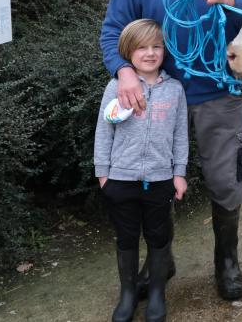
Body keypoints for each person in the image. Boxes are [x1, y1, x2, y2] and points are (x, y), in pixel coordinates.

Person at [99, 0, 242, 301]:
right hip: (155, 97)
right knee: (154, 181)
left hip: (218, 95)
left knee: (225, 181)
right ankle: (161, 259)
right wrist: (124, 72)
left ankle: (227, 261)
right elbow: (112, 31)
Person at [94, 19, 189, 322]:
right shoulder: (116, 87)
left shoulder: (174, 90)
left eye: (156, 46)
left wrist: (179, 172)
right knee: (126, 237)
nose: (150, 53)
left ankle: (157, 294)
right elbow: (104, 132)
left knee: (159, 237)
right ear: (128, 51)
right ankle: (128, 294)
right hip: (120, 180)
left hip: (161, 180)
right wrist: (103, 175)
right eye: (142, 47)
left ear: (164, 50)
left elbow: (180, 135)